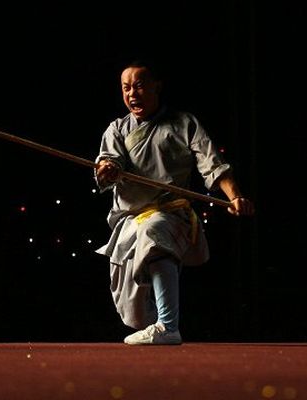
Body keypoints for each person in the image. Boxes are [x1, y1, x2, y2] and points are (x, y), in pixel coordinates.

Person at [94, 59, 254, 345]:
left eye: (140, 86)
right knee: (133, 313)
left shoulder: (183, 123)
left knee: (154, 231)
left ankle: (168, 326)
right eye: (126, 88)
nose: (133, 94)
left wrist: (235, 197)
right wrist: (107, 169)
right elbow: (111, 161)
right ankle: (156, 322)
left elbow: (212, 164)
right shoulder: (117, 129)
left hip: (171, 215)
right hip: (129, 220)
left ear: (157, 86)